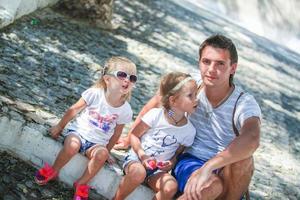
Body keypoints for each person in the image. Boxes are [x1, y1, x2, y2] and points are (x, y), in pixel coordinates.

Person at [116, 34, 261, 200]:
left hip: (225, 170)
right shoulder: (192, 84)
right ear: (199, 62)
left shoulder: (243, 103)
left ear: (233, 68)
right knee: (212, 186)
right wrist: (130, 138)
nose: (211, 69)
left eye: (220, 63)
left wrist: (209, 166)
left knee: (244, 160)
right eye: (206, 61)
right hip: (191, 162)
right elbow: (158, 101)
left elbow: (252, 138)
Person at [34, 56, 138, 200]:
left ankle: (81, 183)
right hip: (79, 133)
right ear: (107, 79)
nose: (127, 80)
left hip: (97, 144)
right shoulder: (95, 93)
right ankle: (54, 170)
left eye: (132, 78)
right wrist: (59, 126)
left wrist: (107, 150)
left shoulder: (126, 110)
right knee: (72, 145)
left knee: (101, 155)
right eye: (121, 75)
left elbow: (117, 133)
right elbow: (74, 110)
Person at [113, 72, 198, 200]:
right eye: (191, 95)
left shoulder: (189, 131)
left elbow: (177, 154)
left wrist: (170, 163)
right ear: (173, 100)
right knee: (138, 173)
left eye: (196, 95)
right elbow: (134, 136)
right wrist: (143, 155)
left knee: (170, 187)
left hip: (157, 171)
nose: (196, 99)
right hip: (137, 160)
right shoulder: (156, 115)